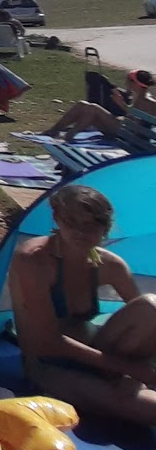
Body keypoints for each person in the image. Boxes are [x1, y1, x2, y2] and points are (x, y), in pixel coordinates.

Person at [9, 183, 156, 427]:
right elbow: (47, 341)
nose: (79, 231)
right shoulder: (33, 261)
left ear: (105, 228)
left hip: (100, 353)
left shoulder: (111, 265)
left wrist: (144, 368)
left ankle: (123, 384)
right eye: (70, 221)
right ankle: (120, 389)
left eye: (90, 224)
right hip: (48, 364)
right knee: (150, 411)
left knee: (151, 306)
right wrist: (131, 368)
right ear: (56, 218)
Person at [45, 71, 156, 141]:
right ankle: (55, 130)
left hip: (128, 133)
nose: (125, 83)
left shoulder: (148, 101)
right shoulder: (138, 96)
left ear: (134, 83)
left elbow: (136, 122)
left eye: (127, 81)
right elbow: (133, 116)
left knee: (93, 108)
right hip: (122, 126)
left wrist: (121, 104)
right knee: (82, 105)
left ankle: (68, 136)